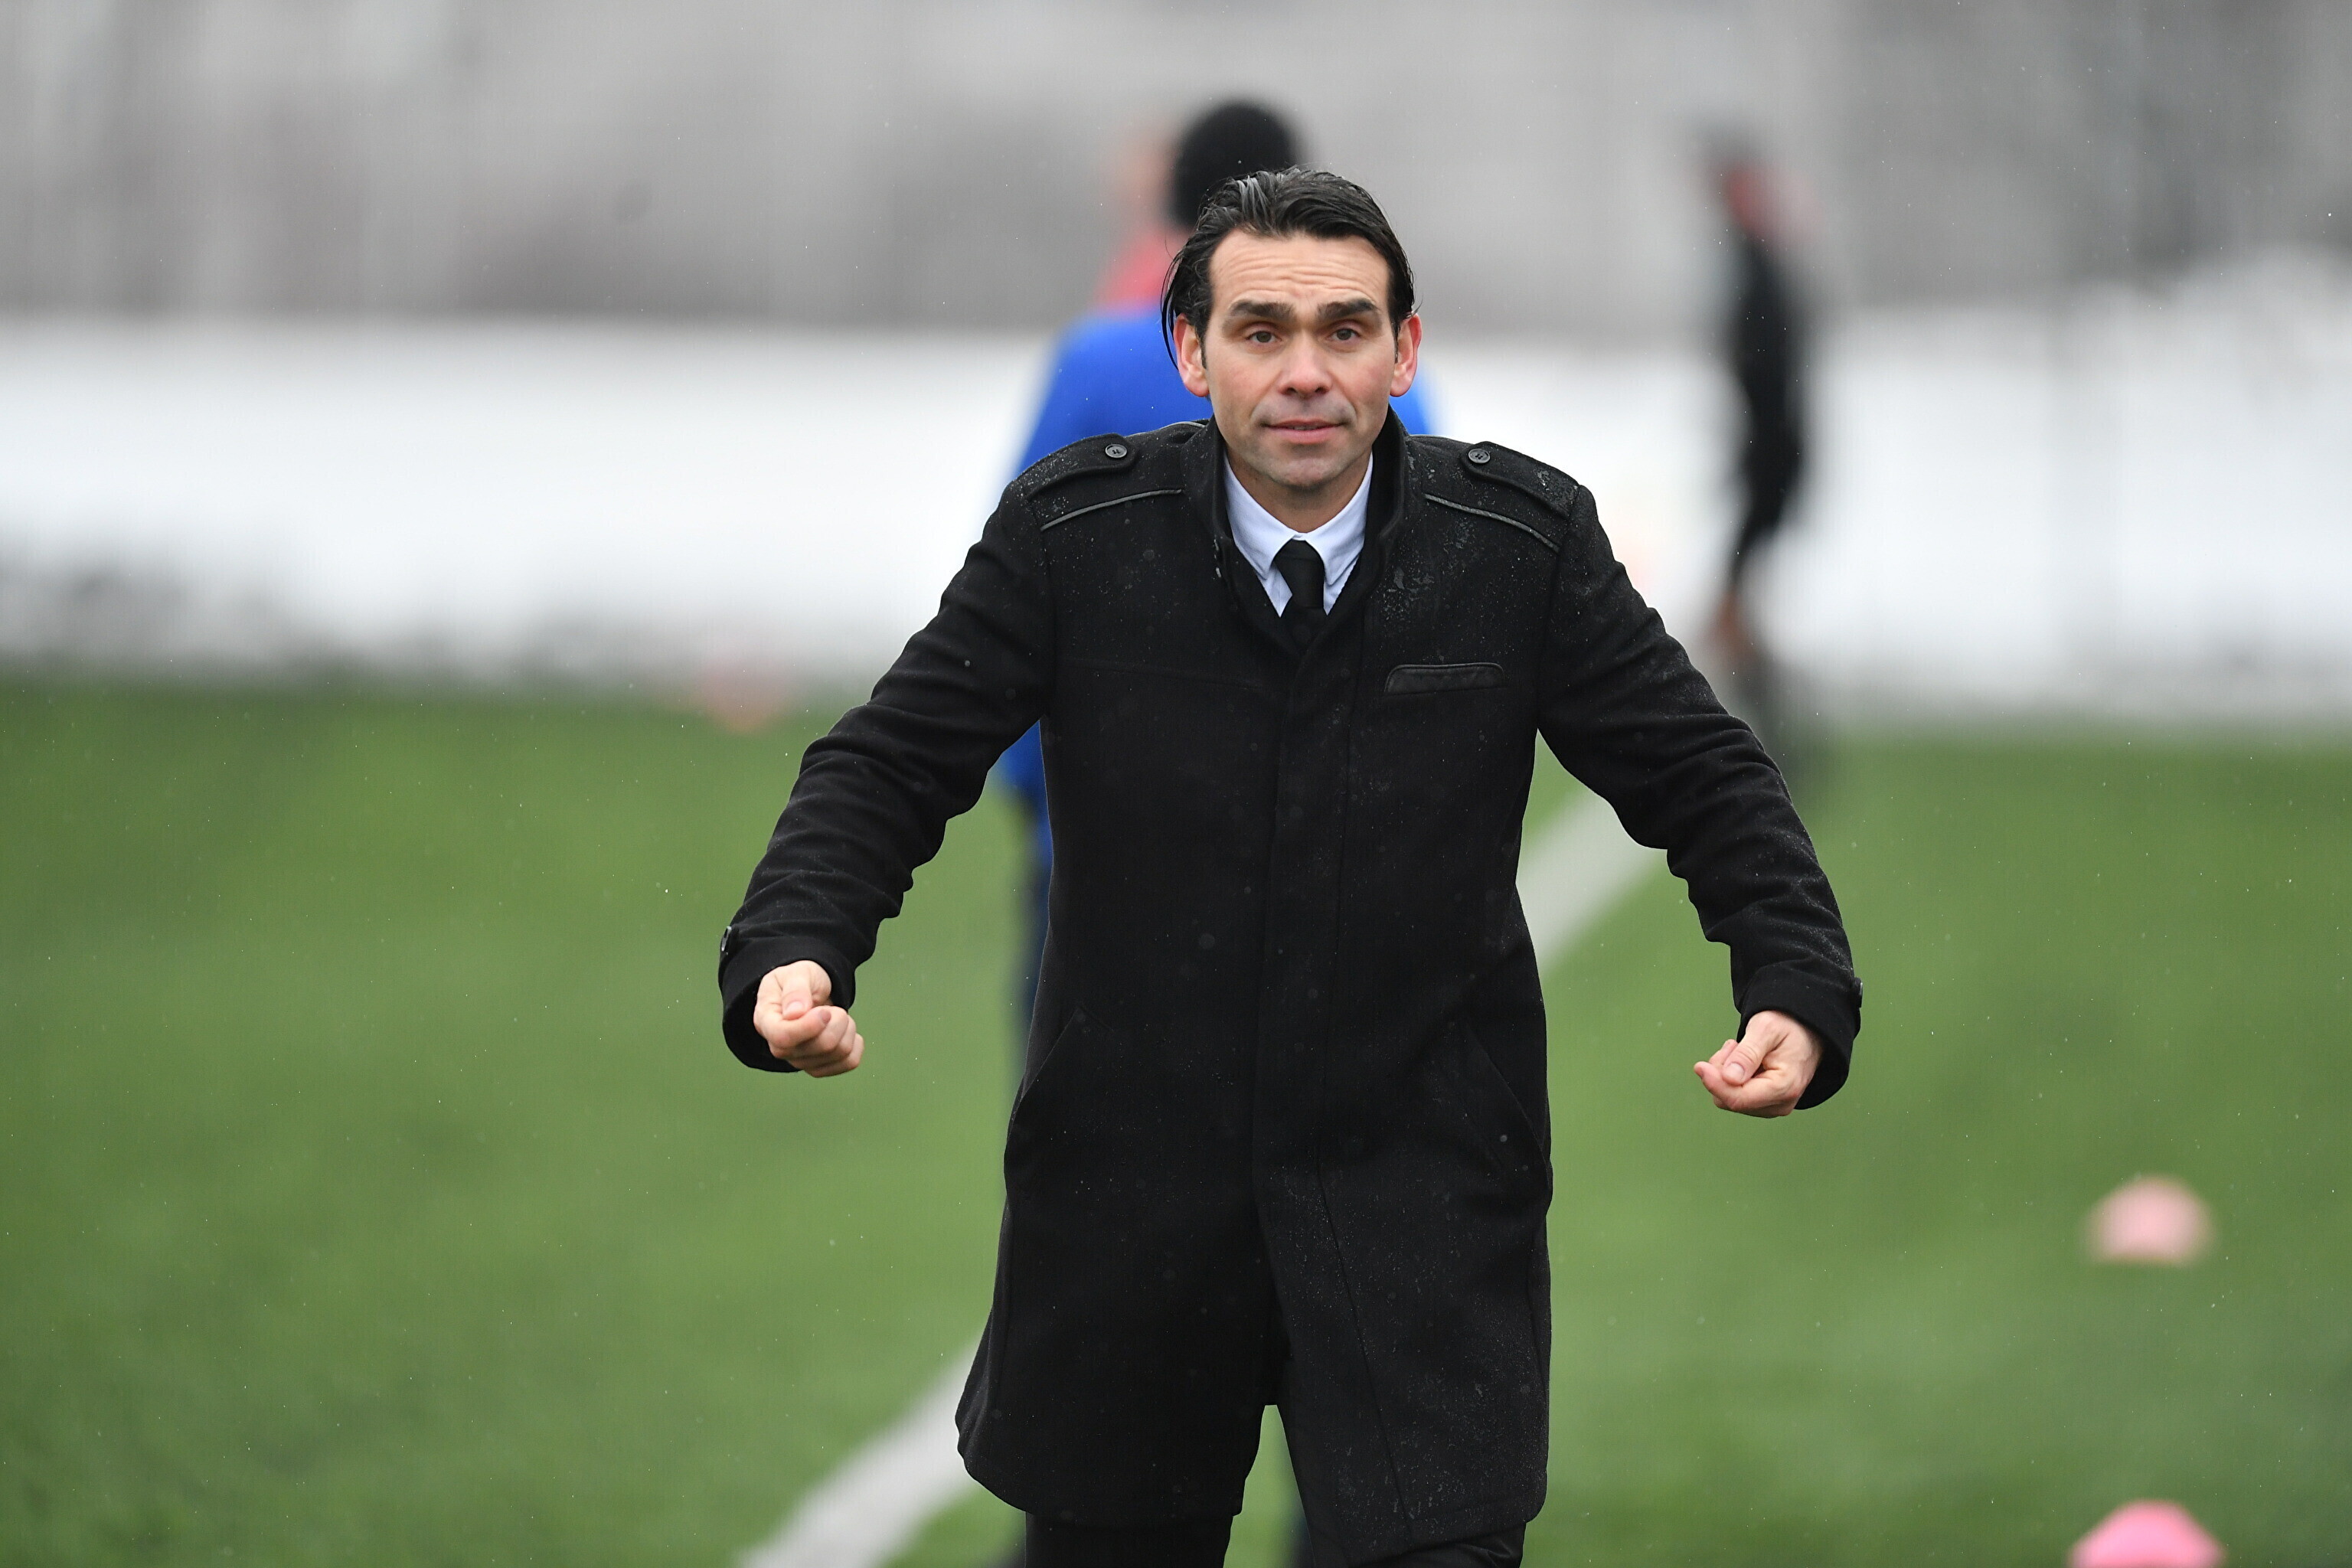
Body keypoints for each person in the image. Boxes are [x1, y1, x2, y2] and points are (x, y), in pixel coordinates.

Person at [719, 168, 1861, 1567]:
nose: (1306, 371)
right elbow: (889, 761)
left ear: (1405, 350)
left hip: (1425, 1206)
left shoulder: (1519, 548)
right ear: (1191, 352)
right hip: (1128, 1210)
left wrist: (1793, 978)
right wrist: (798, 944)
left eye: (1345, 329)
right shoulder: (1076, 537)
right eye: (1261, 331)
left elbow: (1704, 773)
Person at [995, 101, 1434, 1035]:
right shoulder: (1371, 379)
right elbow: (1427, 582)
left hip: (1107, 847)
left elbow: (1014, 594)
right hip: (1325, 853)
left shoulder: (1100, 360)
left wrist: (1040, 794)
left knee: (1082, 1107)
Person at [1707, 145, 1811, 758]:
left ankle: (1776, 742)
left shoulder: (1762, 269)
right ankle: (1773, 739)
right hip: (1767, 459)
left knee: (1731, 610)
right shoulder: (1754, 265)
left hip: (1771, 461)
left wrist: (1758, 460)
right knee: (1733, 610)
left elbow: (1773, 380)